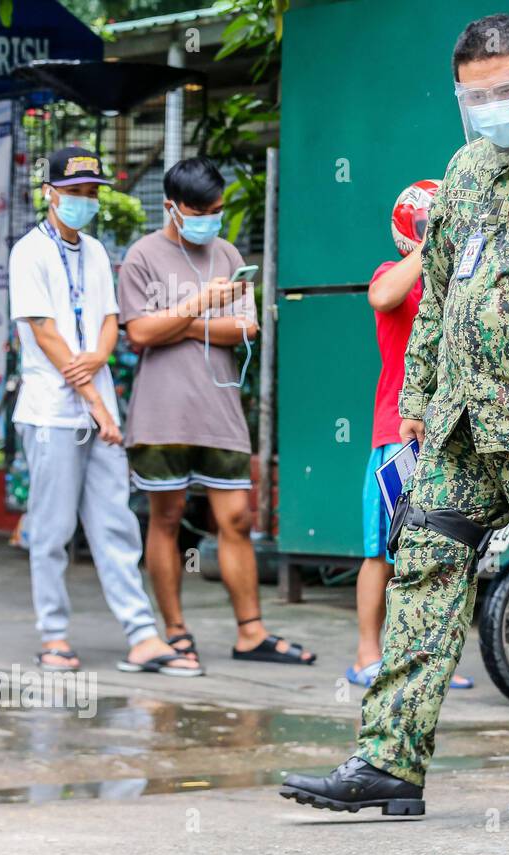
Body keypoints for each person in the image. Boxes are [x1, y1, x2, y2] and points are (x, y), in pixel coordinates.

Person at [281, 12, 509, 819]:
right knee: (424, 576)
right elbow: (439, 290)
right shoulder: (465, 168)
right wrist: (416, 398)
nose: (489, 108)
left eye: (504, 92)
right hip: (457, 425)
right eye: (472, 97)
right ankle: (388, 761)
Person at [10, 146, 200, 676]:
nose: (83, 201)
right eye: (73, 193)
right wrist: (95, 399)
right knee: (50, 529)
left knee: (114, 521)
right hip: (53, 412)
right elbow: (44, 330)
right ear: (49, 193)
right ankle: (53, 634)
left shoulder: (94, 250)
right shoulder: (29, 252)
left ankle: (141, 635)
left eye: (91, 193)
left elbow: (110, 319)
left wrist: (97, 358)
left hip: (99, 414)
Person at [118, 157, 314, 666]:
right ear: (172, 208)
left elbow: (245, 329)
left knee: (235, 518)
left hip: (219, 410)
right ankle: (176, 632)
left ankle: (250, 632)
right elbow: (137, 334)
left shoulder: (227, 253)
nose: (211, 219)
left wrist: (177, 323)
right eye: (200, 211)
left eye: (218, 210)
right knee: (168, 518)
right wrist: (203, 305)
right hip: (161, 414)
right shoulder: (142, 256)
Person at [349, 179, 472, 691]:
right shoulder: (394, 273)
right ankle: (366, 655)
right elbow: (381, 296)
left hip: (453, 432)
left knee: (444, 550)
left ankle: (430, 658)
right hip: (398, 432)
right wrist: (431, 244)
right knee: (383, 548)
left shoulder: (460, 281)